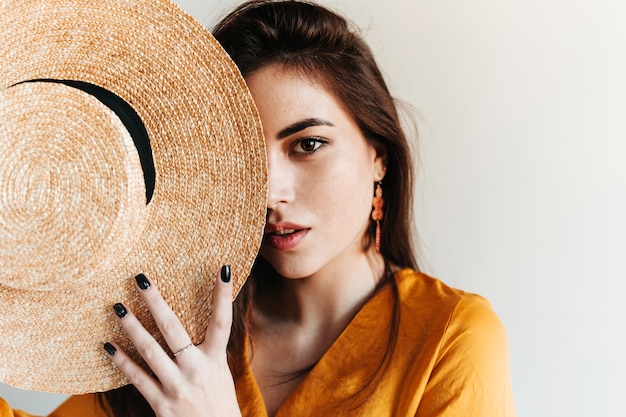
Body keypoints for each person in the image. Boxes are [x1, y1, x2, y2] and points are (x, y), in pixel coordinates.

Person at [0, 0, 516, 416]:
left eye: (308, 144)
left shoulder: (448, 339)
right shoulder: (178, 331)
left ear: (378, 155)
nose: (271, 194)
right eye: (243, 158)